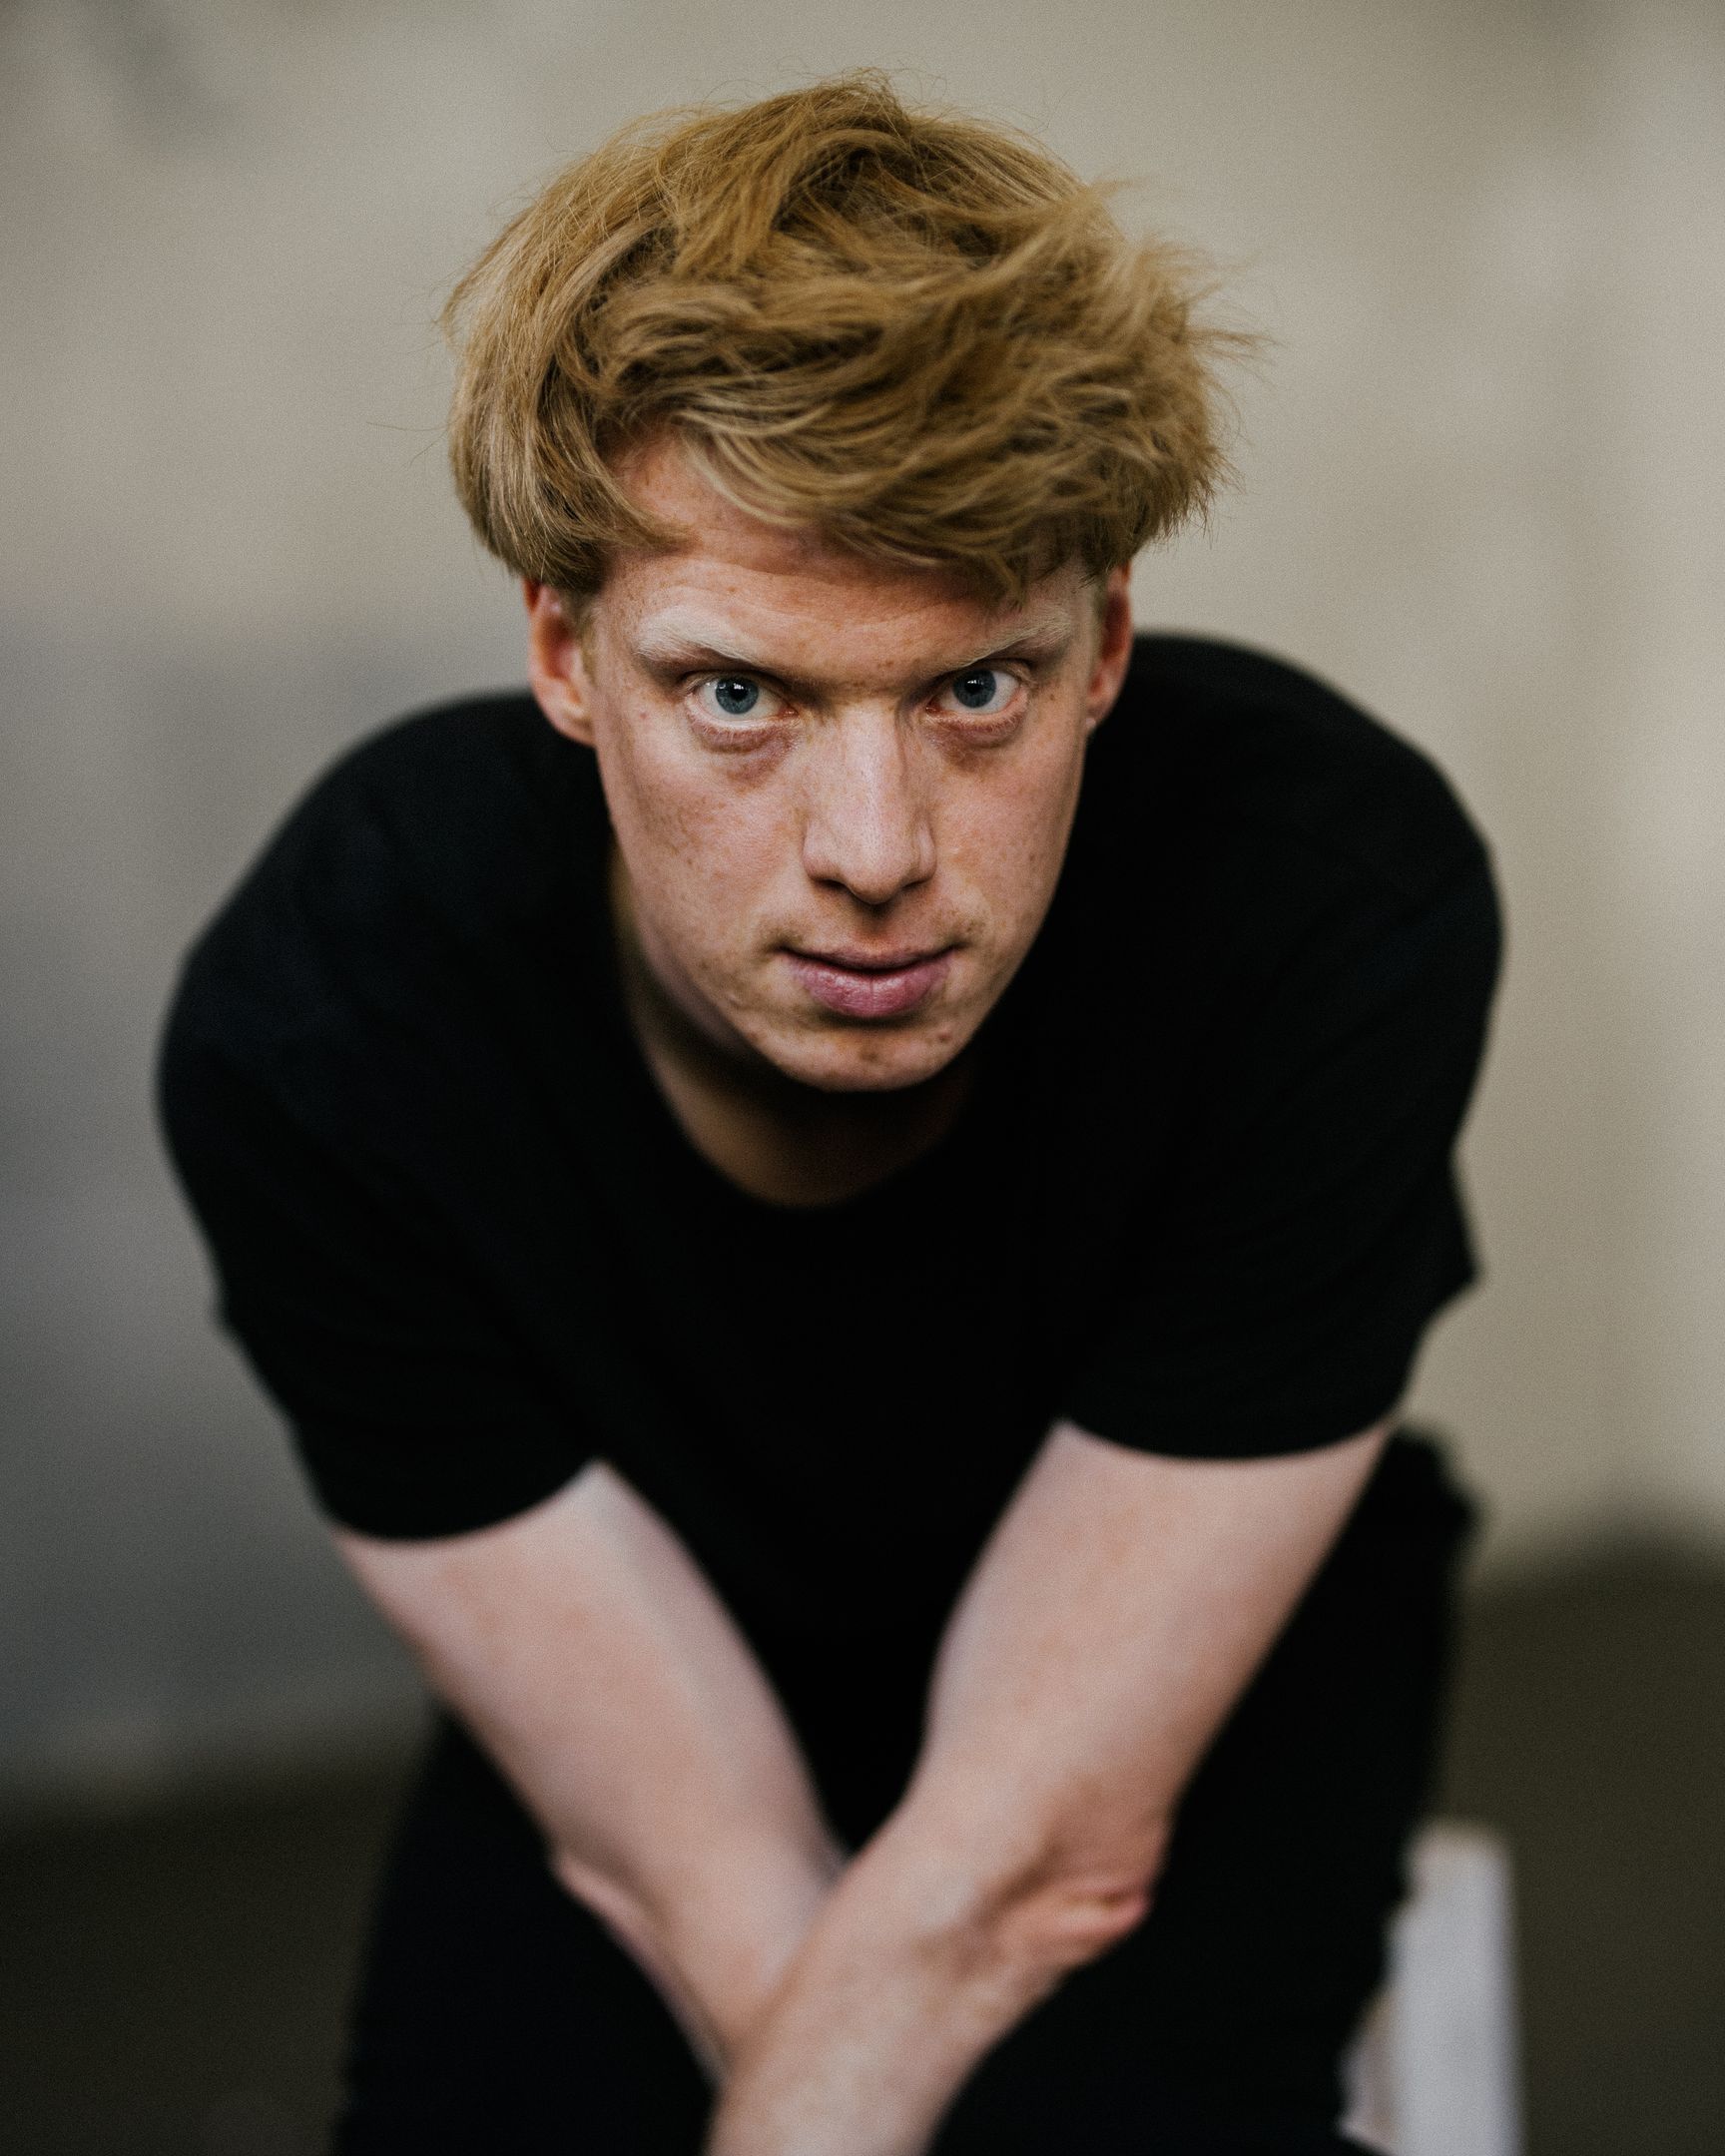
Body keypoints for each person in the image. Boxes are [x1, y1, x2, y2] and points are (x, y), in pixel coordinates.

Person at [158, 72, 1500, 2156]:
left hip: (1208, 1600)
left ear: (1105, 644)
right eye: (739, 695)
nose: (874, 854)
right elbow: (687, 1866)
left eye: (975, 688)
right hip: (674, 1609)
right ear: (565, 654)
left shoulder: (1326, 906)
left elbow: (1024, 1871)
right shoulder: (330, 1022)